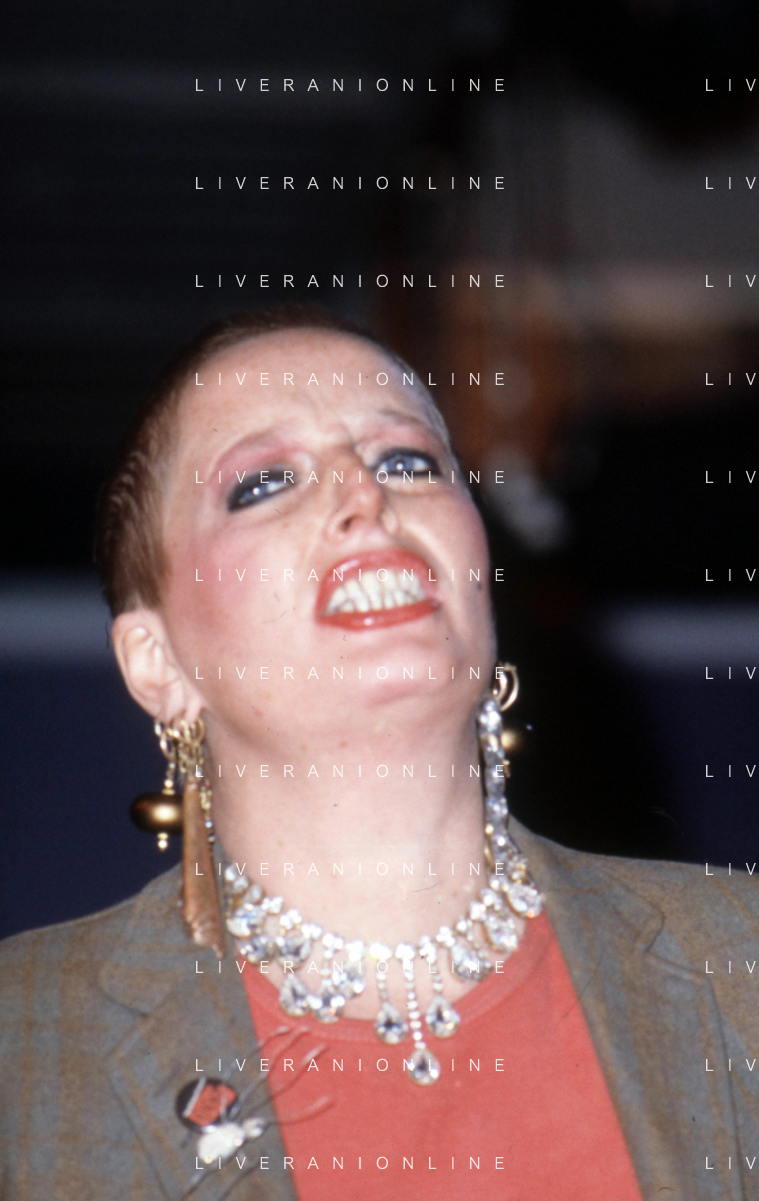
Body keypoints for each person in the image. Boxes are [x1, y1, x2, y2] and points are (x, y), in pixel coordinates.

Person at [0, 305, 756, 1201]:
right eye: (263, 482)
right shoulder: (25, 1038)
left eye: (408, 461)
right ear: (156, 662)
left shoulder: (738, 960)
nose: (365, 494)